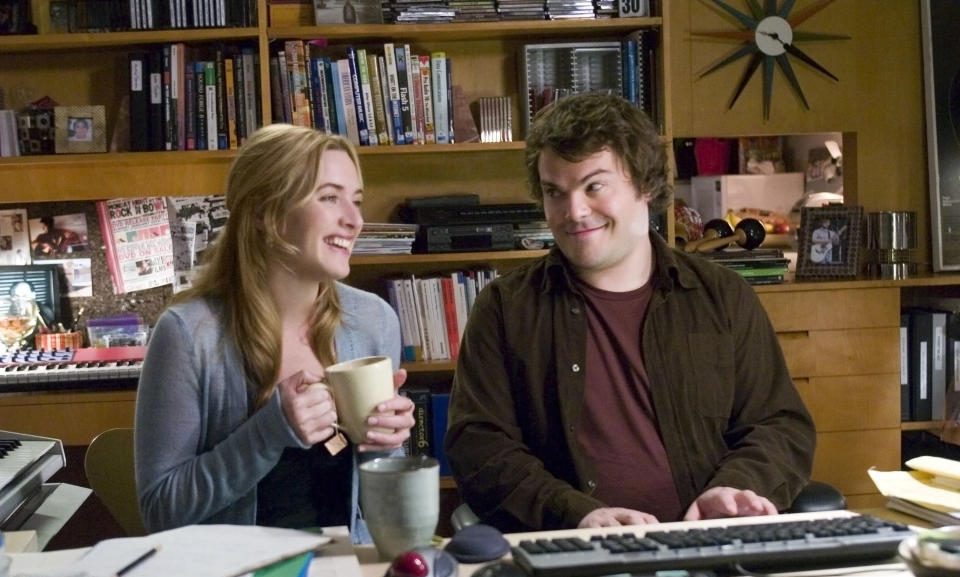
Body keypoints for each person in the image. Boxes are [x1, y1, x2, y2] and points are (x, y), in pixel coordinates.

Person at [444, 93, 815, 533]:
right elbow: (479, 447)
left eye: (594, 186)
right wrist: (575, 511)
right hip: (571, 548)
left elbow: (779, 426)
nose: (573, 211)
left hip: (708, 543)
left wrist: (735, 489)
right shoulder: (506, 309)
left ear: (646, 185)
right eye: (554, 192)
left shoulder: (723, 297)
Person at [135, 124, 414, 542]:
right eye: (329, 197)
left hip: (348, 576)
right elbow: (161, 510)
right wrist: (267, 434)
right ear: (266, 214)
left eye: (356, 201)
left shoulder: (374, 321)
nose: (355, 220)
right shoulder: (188, 336)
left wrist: (386, 446)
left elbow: (383, 512)